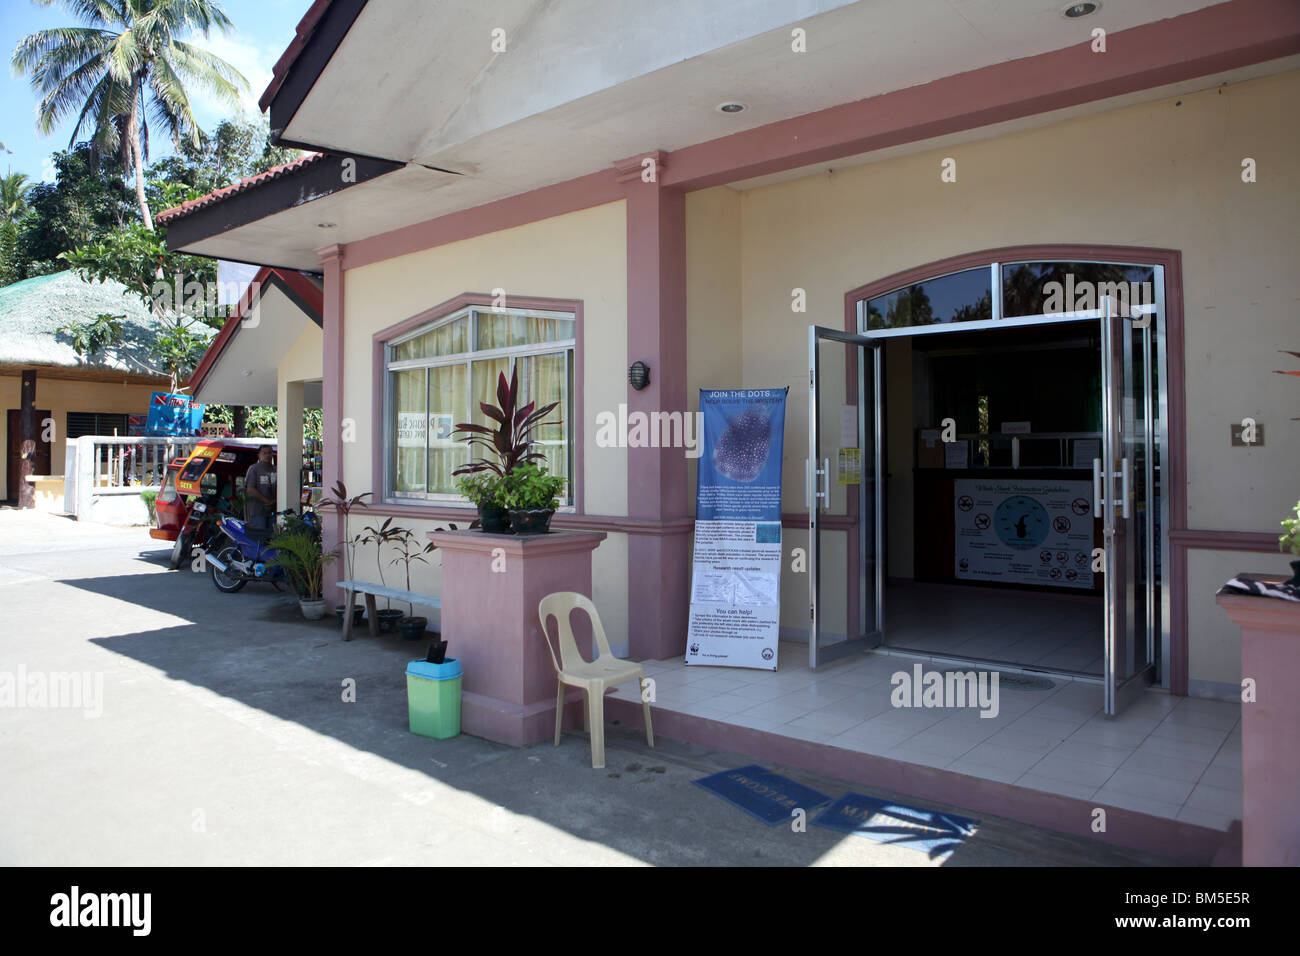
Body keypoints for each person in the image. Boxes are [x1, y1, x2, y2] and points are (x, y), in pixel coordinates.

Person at [244, 445, 277, 541]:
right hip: (258, 510)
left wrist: (274, 502)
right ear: (259, 455)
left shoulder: (277, 469)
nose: (267, 455)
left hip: (275, 510)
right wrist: (266, 501)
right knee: (259, 538)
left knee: (273, 538)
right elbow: (250, 489)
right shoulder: (254, 468)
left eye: (270, 452)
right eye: (264, 453)